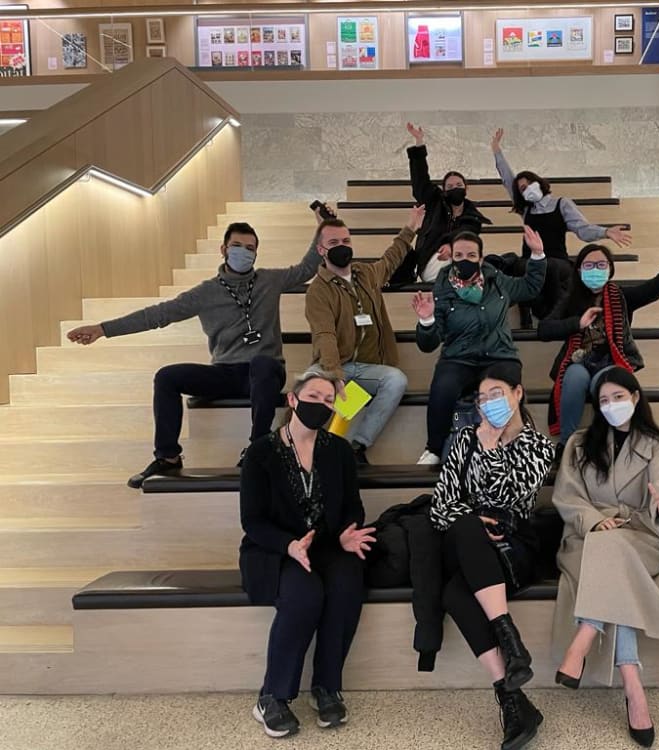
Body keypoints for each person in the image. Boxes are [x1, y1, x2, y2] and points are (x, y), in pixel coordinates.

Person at [66, 222, 322, 488]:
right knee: (167, 377)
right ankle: (167, 457)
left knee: (263, 363)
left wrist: (322, 226)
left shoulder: (270, 280)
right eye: (236, 246)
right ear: (223, 249)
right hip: (225, 372)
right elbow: (158, 315)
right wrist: (103, 329)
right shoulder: (206, 292)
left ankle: (258, 448)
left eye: (250, 248)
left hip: (265, 372)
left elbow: (306, 269)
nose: (243, 252)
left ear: (256, 254)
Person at [551, 367, 659, 748]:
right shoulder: (579, 444)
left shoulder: (658, 447)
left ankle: (584, 636)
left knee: (617, 558)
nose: (611, 406)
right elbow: (566, 496)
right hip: (587, 538)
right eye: (604, 401)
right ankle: (633, 685)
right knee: (613, 566)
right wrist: (594, 521)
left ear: (636, 398)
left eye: (618, 398)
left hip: (640, 538)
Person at [238, 371, 376, 739]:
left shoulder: (340, 451)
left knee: (347, 584)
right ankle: (273, 695)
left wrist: (348, 533)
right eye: (315, 396)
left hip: (327, 545)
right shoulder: (261, 452)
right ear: (293, 400)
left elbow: (352, 507)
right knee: (305, 595)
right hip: (275, 549)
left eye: (330, 400)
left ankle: (326, 688)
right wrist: (290, 545)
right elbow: (252, 521)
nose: (323, 405)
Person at [429, 362, 556, 750]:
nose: (488, 404)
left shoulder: (539, 446)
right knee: (467, 525)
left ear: (518, 393)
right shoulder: (465, 437)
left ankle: (511, 698)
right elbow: (439, 506)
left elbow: (511, 499)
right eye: (482, 398)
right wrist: (471, 516)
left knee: (453, 595)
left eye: (496, 393)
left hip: (513, 545)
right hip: (465, 542)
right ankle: (510, 639)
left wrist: (490, 449)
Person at [537, 239, 659, 458]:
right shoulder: (569, 298)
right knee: (574, 377)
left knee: (609, 384)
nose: (595, 270)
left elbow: (651, 289)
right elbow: (544, 330)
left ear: (610, 269)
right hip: (578, 361)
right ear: (579, 270)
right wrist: (577, 323)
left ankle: (610, 441)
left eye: (601, 265)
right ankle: (567, 443)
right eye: (589, 265)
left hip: (611, 361)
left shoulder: (620, 296)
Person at [411, 227, 547, 465]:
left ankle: (515, 443)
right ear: (451, 258)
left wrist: (537, 255)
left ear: (481, 258)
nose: (466, 261)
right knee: (443, 388)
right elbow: (428, 344)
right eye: (459, 256)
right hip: (458, 358)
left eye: (471, 256)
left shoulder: (497, 281)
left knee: (505, 390)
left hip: (499, 355)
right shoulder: (442, 288)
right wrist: (426, 319)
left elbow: (529, 287)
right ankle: (433, 448)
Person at [305, 205, 425, 464]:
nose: (342, 246)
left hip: (368, 368)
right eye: (334, 242)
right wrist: (335, 376)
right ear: (321, 250)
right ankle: (307, 449)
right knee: (309, 387)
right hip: (334, 366)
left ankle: (357, 447)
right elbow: (324, 335)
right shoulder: (318, 290)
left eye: (346, 240)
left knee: (396, 380)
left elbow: (391, 259)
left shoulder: (365, 273)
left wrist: (411, 228)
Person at [490, 127, 632, 325]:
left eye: (529, 183)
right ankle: (527, 317)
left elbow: (582, 229)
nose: (527, 189)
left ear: (538, 182)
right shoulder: (527, 210)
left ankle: (556, 317)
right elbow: (507, 179)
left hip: (557, 261)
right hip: (532, 261)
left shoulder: (561, 204)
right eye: (522, 189)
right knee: (522, 267)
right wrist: (496, 150)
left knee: (553, 268)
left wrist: (605, 232)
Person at [389, 122, 492, 286]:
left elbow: (467, 233)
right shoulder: (435, 203)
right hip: (432, 261)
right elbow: (420, 182)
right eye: (450, 187)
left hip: (458, 259)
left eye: (459, 186)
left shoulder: (473, 216)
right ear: (443, 190)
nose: (455, 189)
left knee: (490, 263)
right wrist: (419, 143)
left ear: (466, 188)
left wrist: (452, 245)